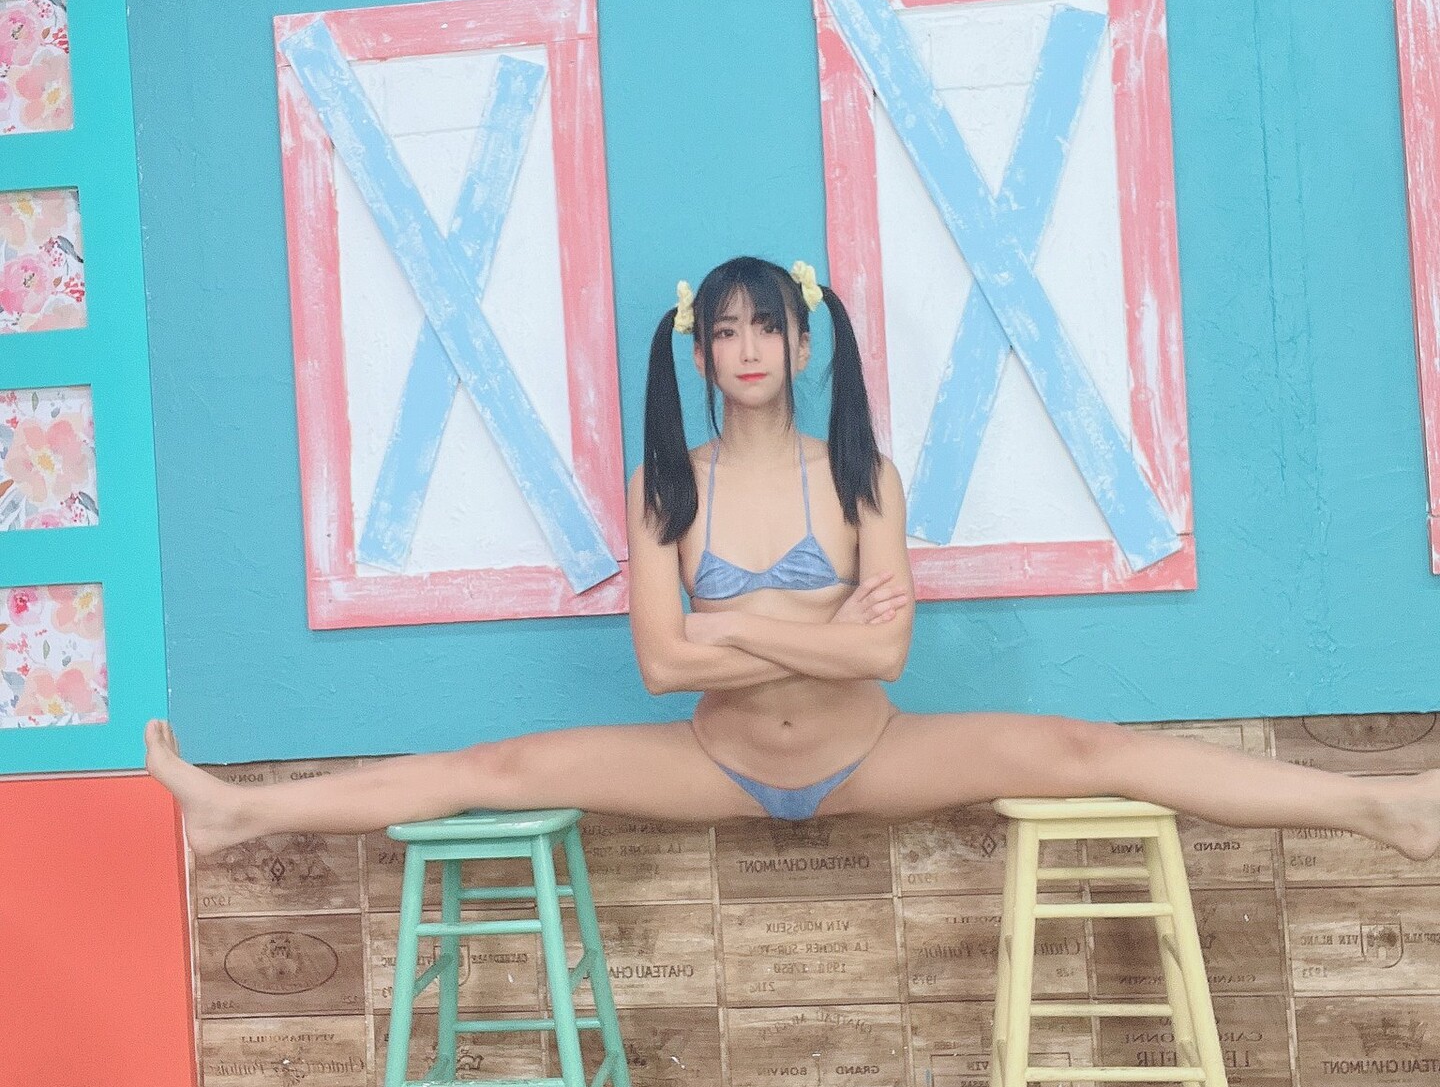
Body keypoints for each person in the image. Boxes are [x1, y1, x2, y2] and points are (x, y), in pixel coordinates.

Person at [147, 254, 1440, 862]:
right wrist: (810, 631)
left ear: (803, 343)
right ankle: (240, 810)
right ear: (701, 353)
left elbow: (888, 656)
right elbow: (662, 670)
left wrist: (734, 627)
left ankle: (1381, 805)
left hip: (870, 755)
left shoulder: (860, 473)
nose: (748, 348)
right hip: (716, 764)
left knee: (1085, 748)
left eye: (766, 327)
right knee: (496, 770)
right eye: (725, 331)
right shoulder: (667, 488)